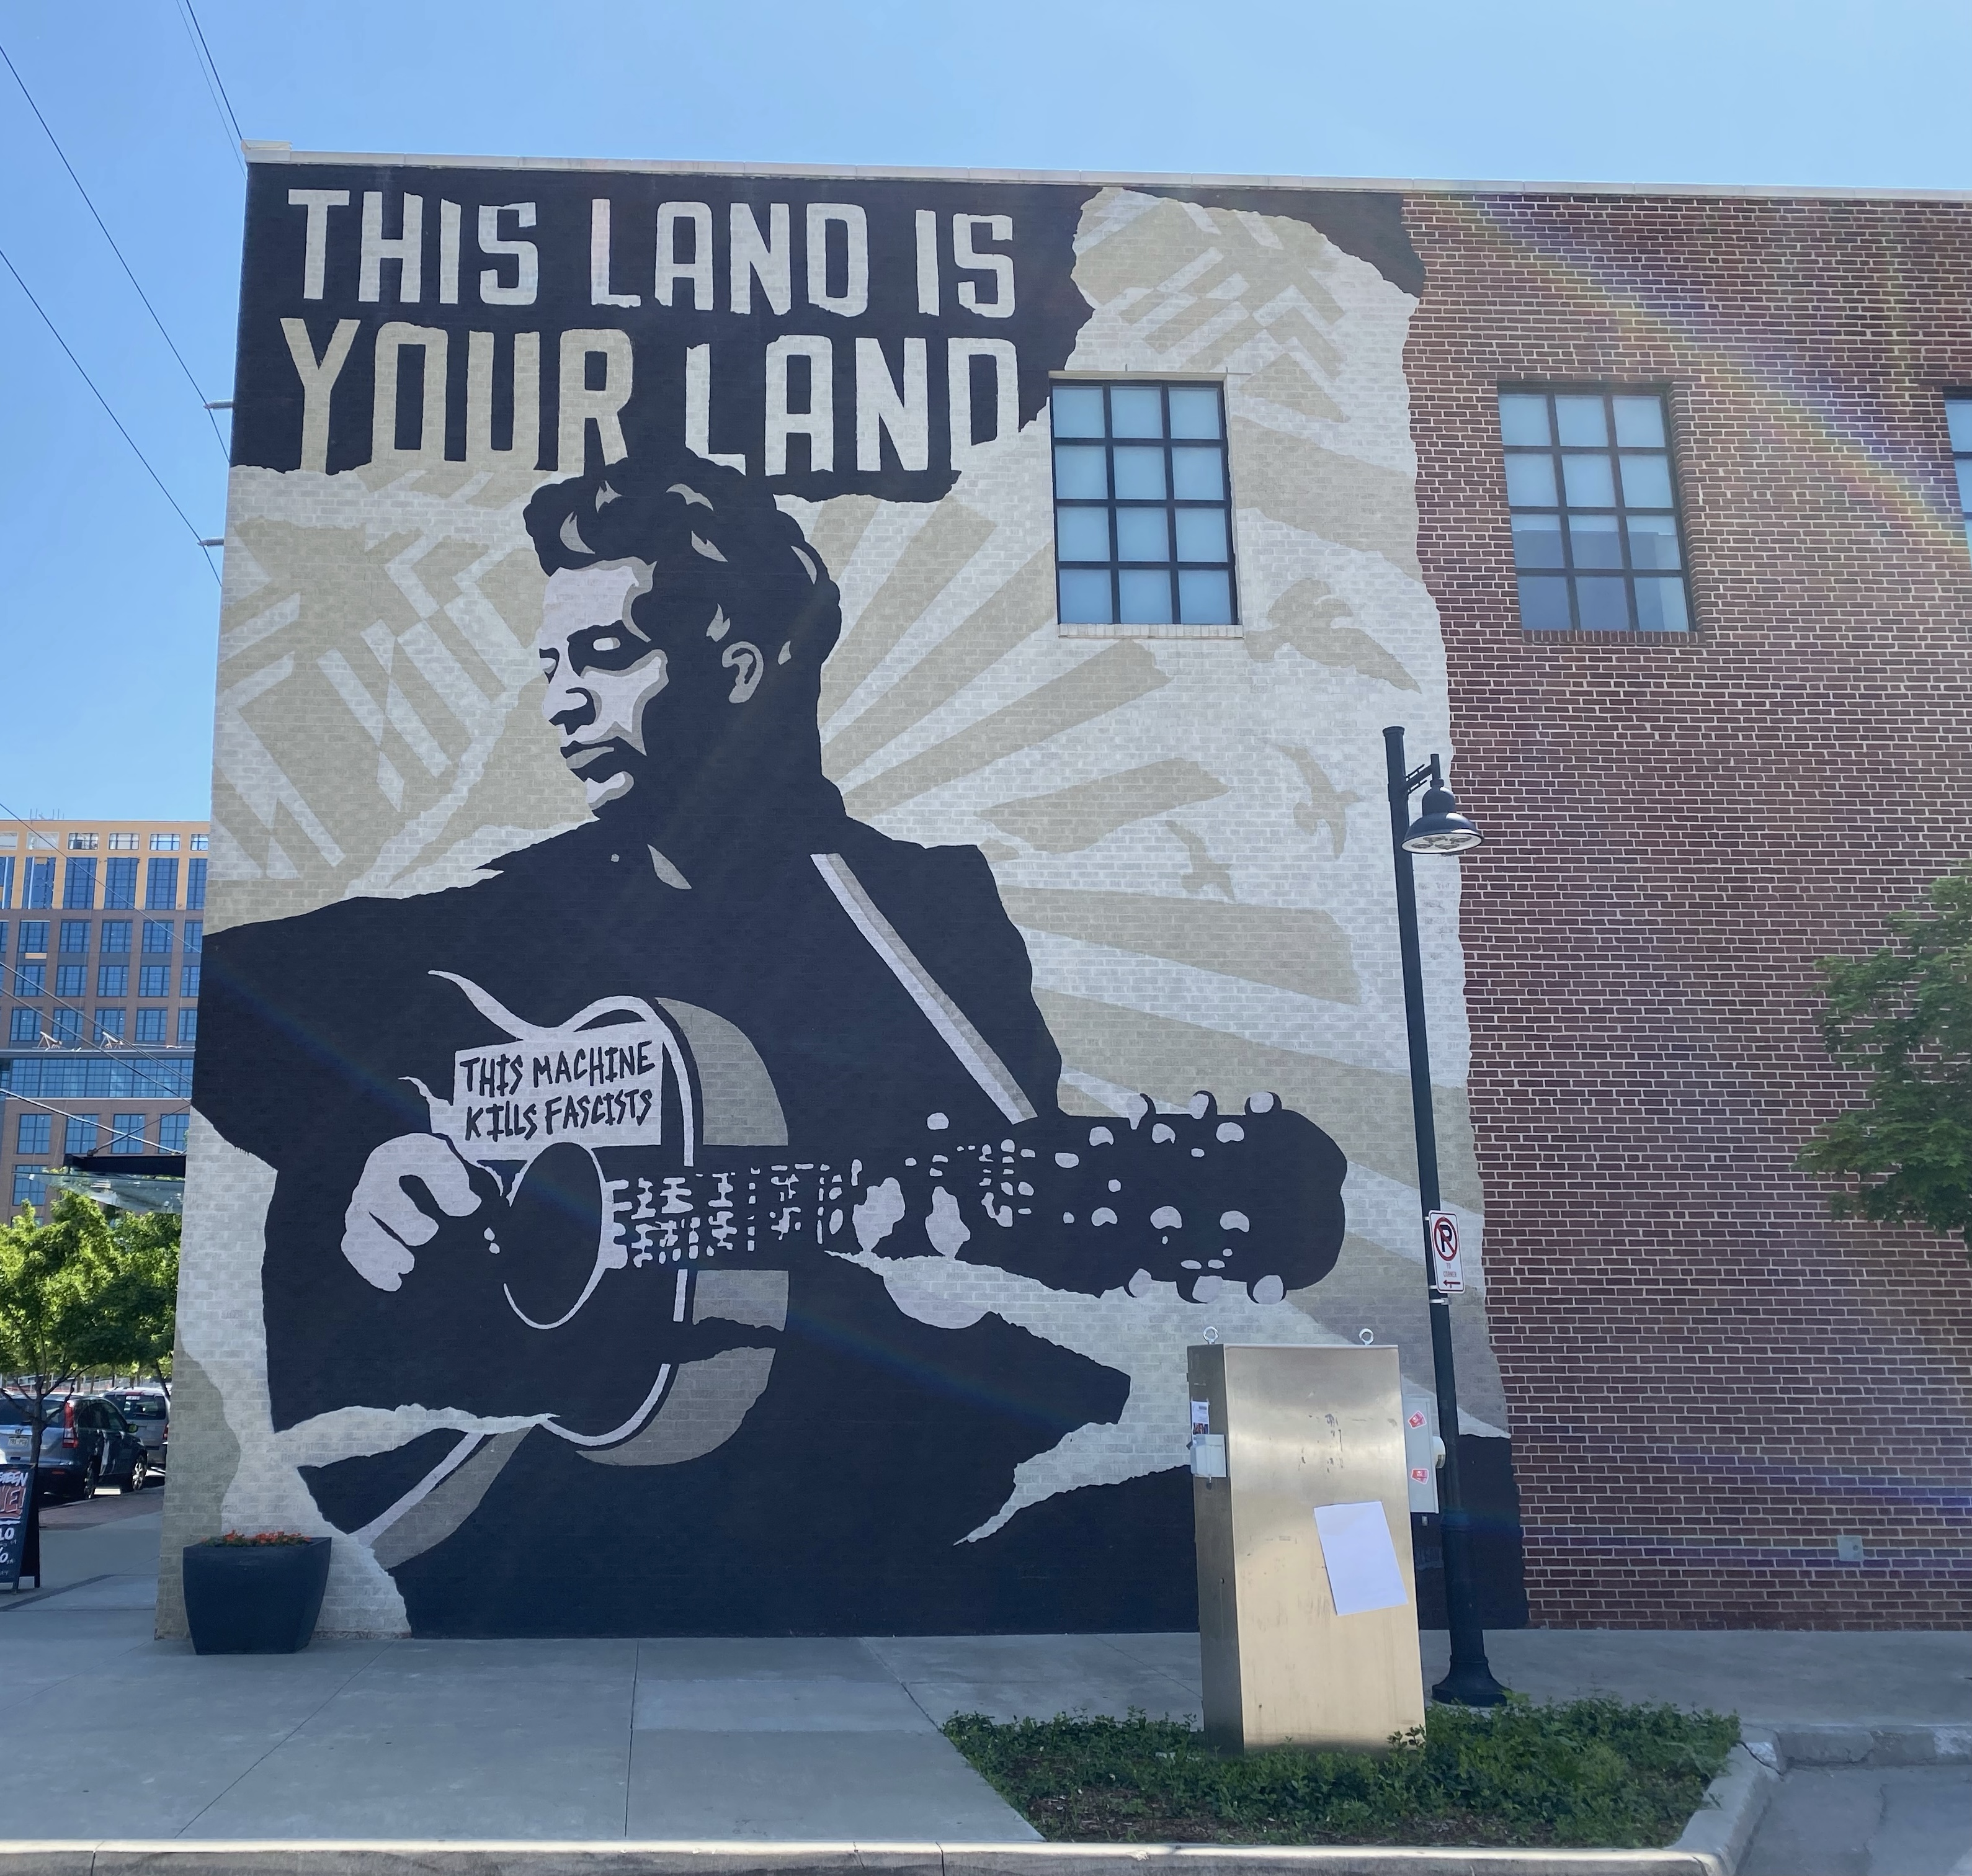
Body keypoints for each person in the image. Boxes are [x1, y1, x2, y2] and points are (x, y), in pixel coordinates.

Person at [200, 445, 1347, 1634]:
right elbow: (228, 991)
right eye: (550, 664)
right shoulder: (519, 909)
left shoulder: (925, 916)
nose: (561, 699)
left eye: (605, 655)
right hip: (527, 1510)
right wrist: (375, 1141)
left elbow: (1022, 1205)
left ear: (740, 665)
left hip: (857, 1514)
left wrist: (958, 1257)